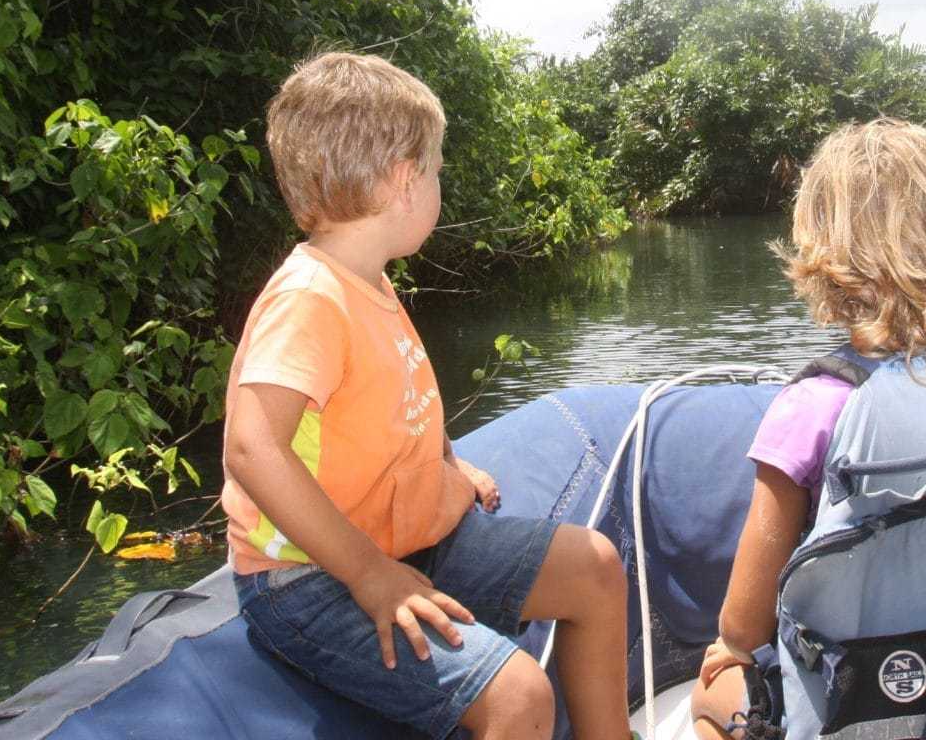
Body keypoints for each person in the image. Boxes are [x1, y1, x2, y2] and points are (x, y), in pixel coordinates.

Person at [220, 52, 630, 740]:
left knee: (593, 567)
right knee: (518, 696)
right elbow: (251, 449)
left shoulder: (369, 281)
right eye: (437, 170)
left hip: (406, 544)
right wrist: (368, 574)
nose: (440, 186)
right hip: (309, 577)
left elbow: (395, 398)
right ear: (406, 182)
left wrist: (447, 462)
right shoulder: (309, 298)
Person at [690, 118, 926, 739]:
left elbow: (744, 622)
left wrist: (730, 647)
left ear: (823, 258)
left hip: (846, 707)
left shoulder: (812, 403)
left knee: (715, 689)